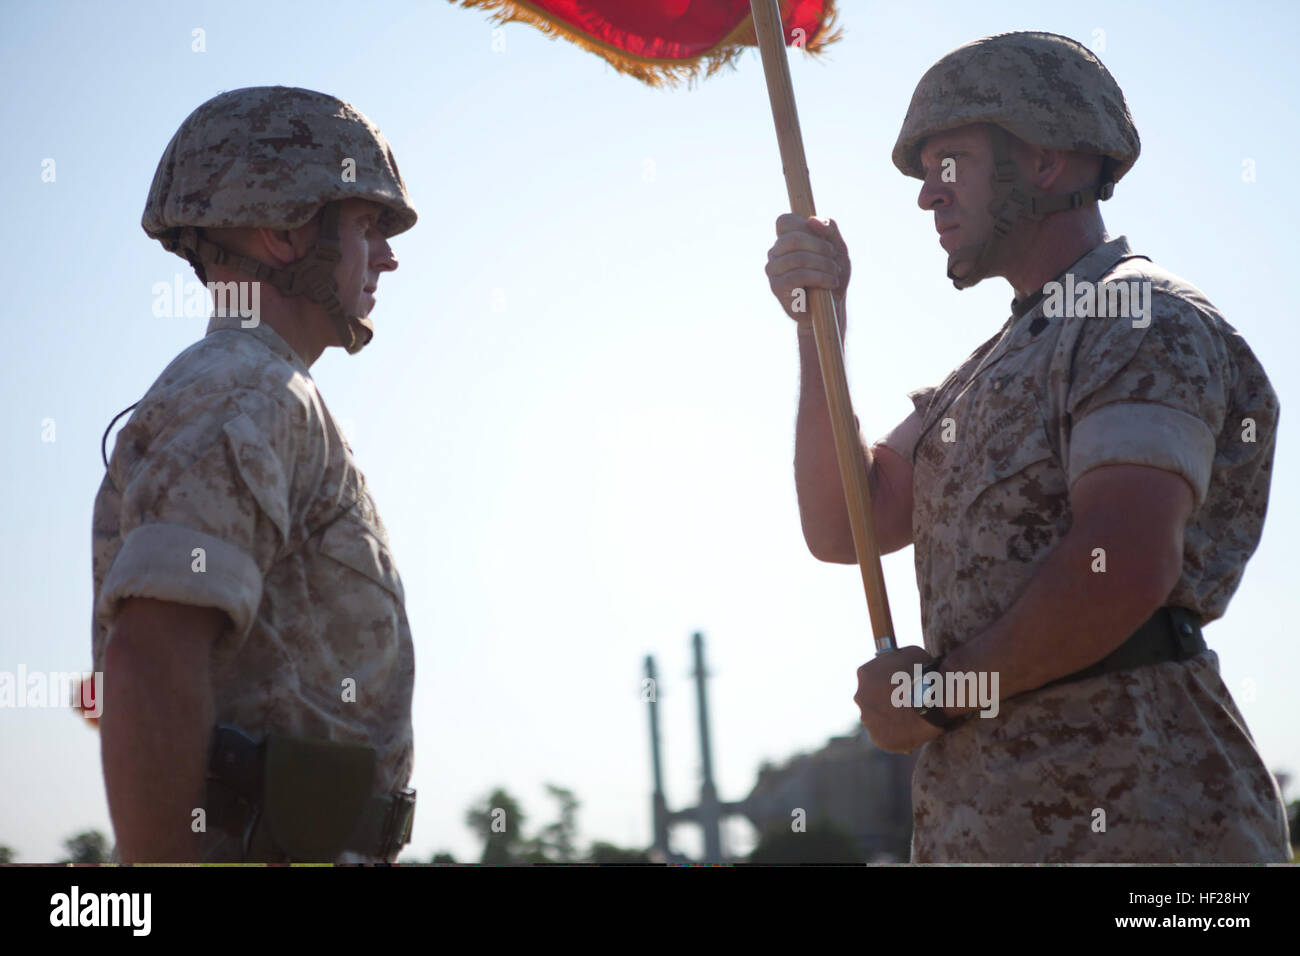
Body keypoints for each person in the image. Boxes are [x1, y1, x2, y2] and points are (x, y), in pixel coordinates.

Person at [765, 31, 1289, 862]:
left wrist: (940, 691)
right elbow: (844, 524)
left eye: (949, 165)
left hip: (1145, 828)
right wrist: (817, 327)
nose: (926, 200)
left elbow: (1121, 565)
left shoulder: (1134, 317)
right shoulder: (984, 373)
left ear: (1045, 163)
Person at [92, 86, 418, 863]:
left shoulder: (256, 387)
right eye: (368, 225)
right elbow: (152, 657)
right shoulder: (244, 388)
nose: (389, 256)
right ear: (279, 232)